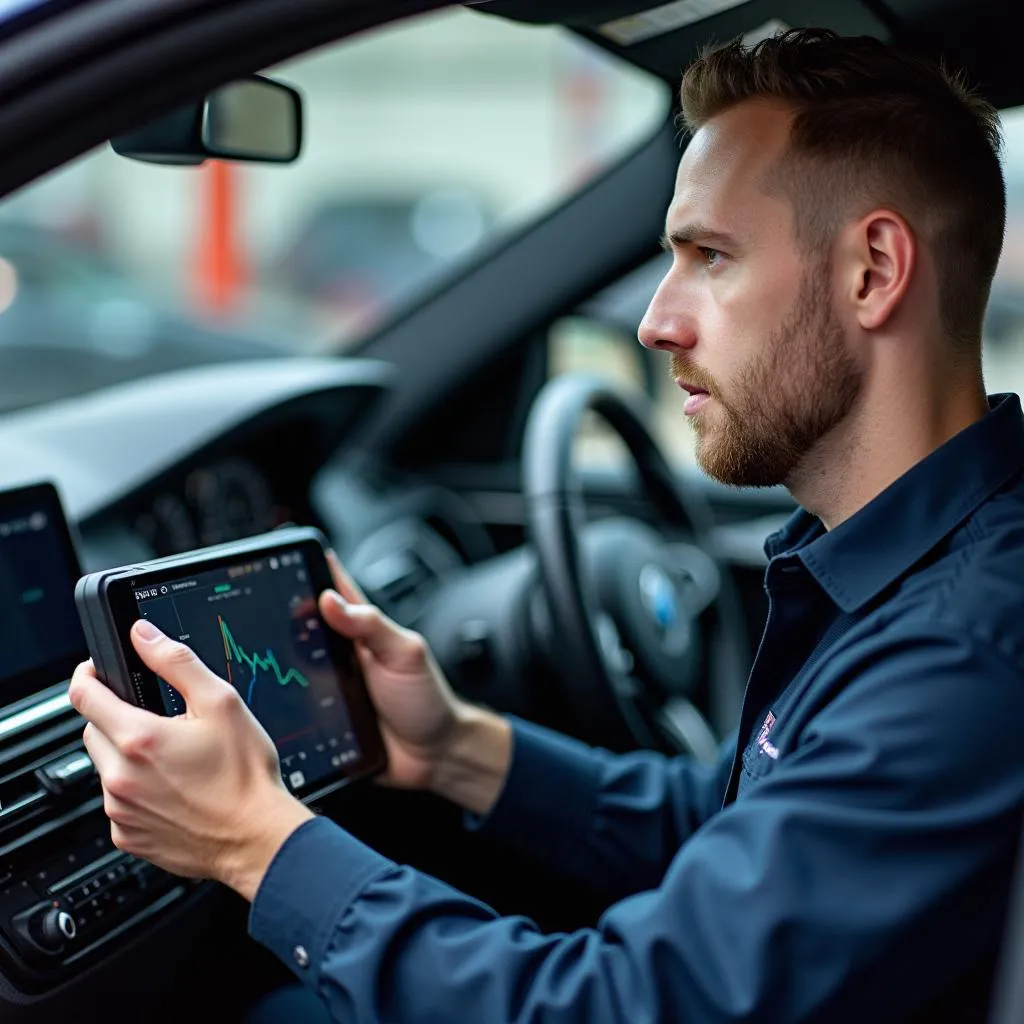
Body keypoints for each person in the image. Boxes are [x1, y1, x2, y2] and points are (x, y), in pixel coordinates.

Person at [69, 27, 1024, 1023]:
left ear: (872, 270)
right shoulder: (908, 573)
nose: (655, 321)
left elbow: (625, 1007)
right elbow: (733, 827)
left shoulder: (957, 654)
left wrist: (252, 843)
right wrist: (453, 745)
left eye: (710, 257)